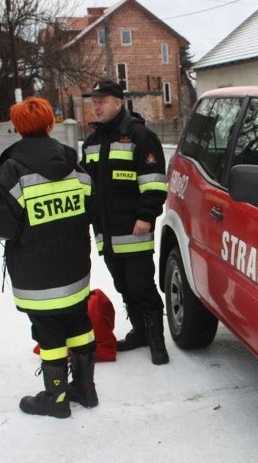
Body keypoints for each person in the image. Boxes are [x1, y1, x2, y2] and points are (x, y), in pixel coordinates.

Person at [0, 97, 97, 419]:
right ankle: (86, 390)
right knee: (79, 323)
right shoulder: (76, 167)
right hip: (75, 270)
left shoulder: (10, 173)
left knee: (49, 333)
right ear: (50, 125)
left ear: (17, 129)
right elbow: (91, 208)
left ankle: (56, 399)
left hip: (37, 278)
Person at [81, 80, 170, 365]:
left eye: (102, 101)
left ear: (118, 103)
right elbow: (87, 185)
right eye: (93, 102)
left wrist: (146, 216)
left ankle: (157, 341)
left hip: (135, 230)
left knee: (141, 285)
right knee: (123, 285)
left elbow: (154, 181)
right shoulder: (92, 142)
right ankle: (141, 333)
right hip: (106, 232)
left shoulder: (139, 136)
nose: (96, 106)